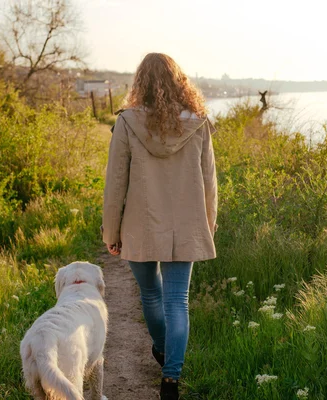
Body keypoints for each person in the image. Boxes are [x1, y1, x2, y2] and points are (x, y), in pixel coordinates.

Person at [102, 53, 218, 400]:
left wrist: (111, 232)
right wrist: (207, 225)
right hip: (187, 224)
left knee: (150, 294)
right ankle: (171, 378)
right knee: (177, 301)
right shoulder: (198, 122)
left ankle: (163, 350)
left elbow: (115, 183)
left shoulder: (127, 122)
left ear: (141, 84)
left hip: (140, 224)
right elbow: (209, 180)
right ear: (178, 82)